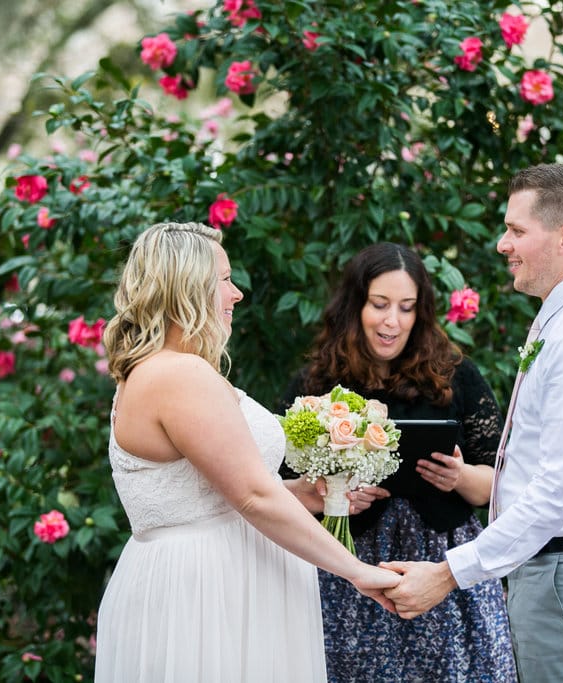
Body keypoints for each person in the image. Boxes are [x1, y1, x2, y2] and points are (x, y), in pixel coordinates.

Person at [94, 222, 400, 682]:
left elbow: (207, 495)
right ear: (186, 288)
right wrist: (356, 571)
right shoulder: (178, 376)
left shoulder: (165, 371)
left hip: (219, 580)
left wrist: (304, 494)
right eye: (223, 280)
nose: (235, 294)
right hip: (205, 598)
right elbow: (253, 497)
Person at [382, 163, 563, 683]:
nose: (503, 244)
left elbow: (558, 491)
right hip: (557, 574)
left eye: (517, 230)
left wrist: (447, 574)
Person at [280, 242, 517, 683]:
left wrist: (460, 476)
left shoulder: (456, 375)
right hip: (348, 569)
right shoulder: (315, 384)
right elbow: (282, 491)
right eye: (380, 305)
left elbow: (494, 487)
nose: (393, 321)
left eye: (407, 308)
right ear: (355, 306)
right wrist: (331, 493)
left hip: (442, 569)